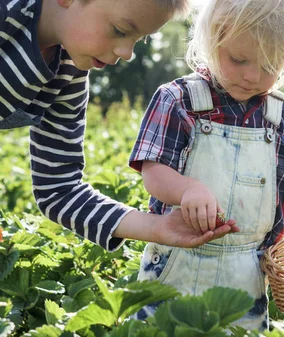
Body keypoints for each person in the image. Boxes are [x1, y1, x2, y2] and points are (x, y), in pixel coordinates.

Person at [128, 0, 284, 330]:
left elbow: (281, 183)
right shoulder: (179, 100)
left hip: (246, 273)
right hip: (178, 264)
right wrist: (187, 189)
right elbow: (153, 172)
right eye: (238, 59)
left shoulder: (277, 115)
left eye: (269, 66)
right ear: (212, 39)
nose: (251, 76)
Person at [0, 0, 238, 251]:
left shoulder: (68, 72)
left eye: (139, 39)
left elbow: (59, 189)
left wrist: (157, 227)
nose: (127, 52)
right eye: (121, 30)